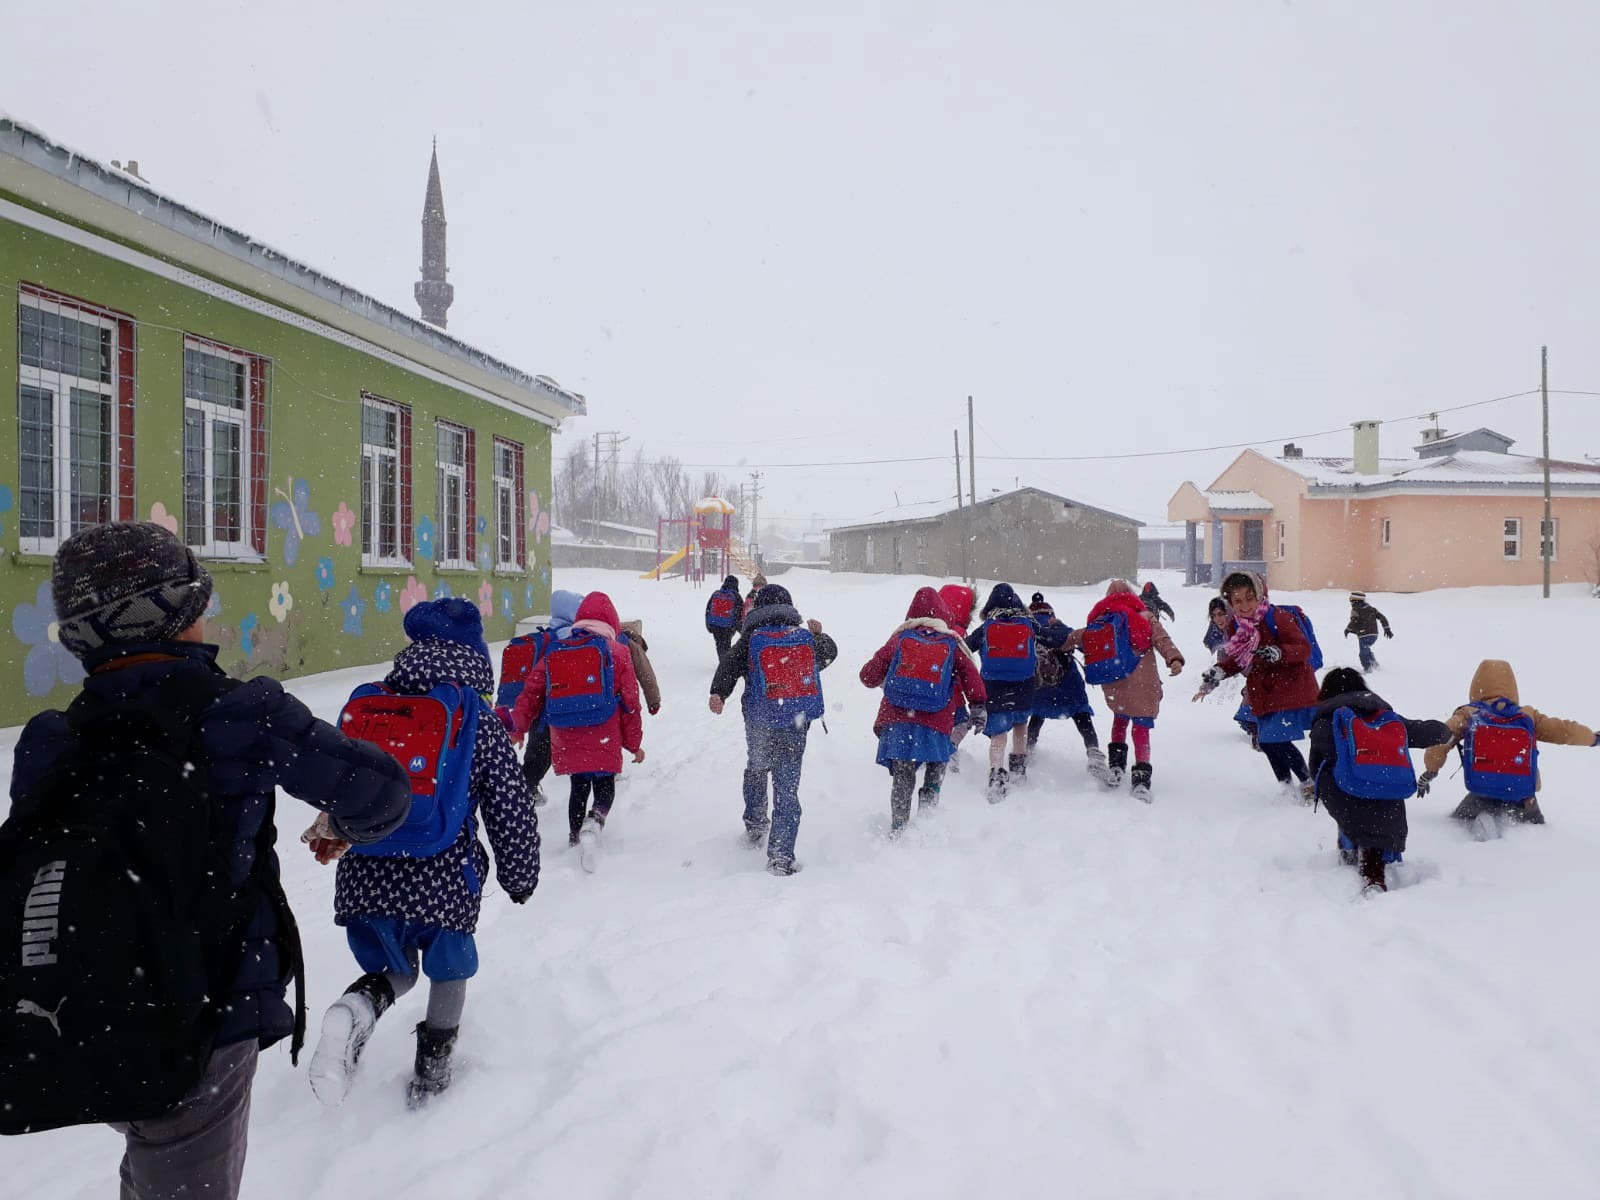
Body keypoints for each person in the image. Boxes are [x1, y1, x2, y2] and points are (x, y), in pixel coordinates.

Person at [3, 522, 410, 1200]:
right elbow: (385, 793)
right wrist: (341, 823)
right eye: (196, 604)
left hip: (82, 1009)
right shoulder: (242, 713)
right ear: (171, 616)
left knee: (151, 1152)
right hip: (205, 1016)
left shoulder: (51, 741)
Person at [308, 598, 540, 1108]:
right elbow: (509, 804)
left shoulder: (375, 700)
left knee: (397, 970)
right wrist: (520, 876)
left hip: (366, 865)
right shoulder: (473, 715)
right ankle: (431, 1079)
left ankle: (357, 1006)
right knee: (447, 968)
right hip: (443, 872)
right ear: (473, 654)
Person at [709, 583, 838, 874]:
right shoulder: (803, 638)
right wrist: (820, 635)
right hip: (795, 721)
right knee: (787, 786)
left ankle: (755, 823)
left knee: (757, 768)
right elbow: (830, 654)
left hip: (759, 720)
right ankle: (780, 856)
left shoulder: (751, 638)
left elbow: (728, 664)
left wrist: (718, 693)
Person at [509, 591, 645, 866]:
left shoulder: (556, 650)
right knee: (604, 783)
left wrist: (518, 727)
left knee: (578, 784)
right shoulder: (617, 652)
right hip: (604, 728)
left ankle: (574, 837)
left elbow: (531, 692)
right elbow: (631, 702)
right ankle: (595, 820)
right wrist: (634, 742)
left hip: (566, 731)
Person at [1308, 667, 1452, 894]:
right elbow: (1423, 732)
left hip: (1347, 788)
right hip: (1387, 786)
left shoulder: (1328, 719)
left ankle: (1355, 862)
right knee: (1380, 825)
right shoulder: (1383, 716)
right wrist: (1444, 730)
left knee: (1354, 819)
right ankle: (1379, 868)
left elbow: (1320, 757)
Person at [1419, 659, 1597, 841]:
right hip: (1523, 793)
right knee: (1540, 834)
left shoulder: (1469, 714)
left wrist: (1430, 771)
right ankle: (1527, 842)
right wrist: (1592, 738)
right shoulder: (1527, 715)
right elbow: (1563, 731)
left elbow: (1440, 740)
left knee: (1457, 823)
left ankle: (1478, 832)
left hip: (1482, 788)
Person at [859, 587, 986, 834]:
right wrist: (978, 704)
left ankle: (899, 827)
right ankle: (928, 816)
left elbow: (867, 676)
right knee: (937, 765)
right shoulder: (951, 640)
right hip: (936, 718)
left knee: (903, 775)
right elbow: (970, 675)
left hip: (898, 719)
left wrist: (890, 676)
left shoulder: (900, 638)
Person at [1194, 570, 1320, 801]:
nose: (1244, 605)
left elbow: (1303, 649)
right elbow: (1238, 658)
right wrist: (1220, 670)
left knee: (1274, 739)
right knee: (1268, 741)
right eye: (1237, 600)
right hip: (1263, 692)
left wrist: (1278, 652)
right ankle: (1287, 785)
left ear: (1260, 595)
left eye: (1249, 598)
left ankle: (1307, 782)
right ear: (1230, 602)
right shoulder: (1237, 627)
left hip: (1289, 688)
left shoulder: (1278, 617)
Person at [1067, 580, 1184, 801]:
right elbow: (1162, 639)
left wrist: (1055, 639)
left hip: (1116, 681)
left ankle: (1117, 767)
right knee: (1141, 729)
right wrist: (1174, 658)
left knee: (1120, 720)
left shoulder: (1102, 618)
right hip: (1143, 681)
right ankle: (1141, 780)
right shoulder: (1146, 617)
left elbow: (1078, 638)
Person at [966, 583, 1070, 802]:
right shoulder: (1028, 623)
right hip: (1024, 683)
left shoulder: (987, 627)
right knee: (1020, 723)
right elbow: (1054, 639)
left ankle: (996, 773)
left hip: (994, 684)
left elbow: (966, 648)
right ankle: (1019, 768)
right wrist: (1058, 626)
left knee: (998, 732)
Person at [498, 588, 584, 808]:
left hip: (538, 706)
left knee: (539, 749)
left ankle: (526, 787)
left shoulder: (548, 633)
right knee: (555, 750)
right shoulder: (569, 637)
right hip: (556, 705)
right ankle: (525, 790)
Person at [1025, 592, 1108, 783]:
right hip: (1068, 686)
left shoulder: (1028, 630)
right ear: (1051, 613)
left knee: (1036, 715)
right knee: (1082, 716)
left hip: (1039, 688)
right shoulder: (1061, 628)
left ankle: (1027, 750)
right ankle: (1094, 754)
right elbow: (1086, 645)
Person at [938, 582, 980, 772]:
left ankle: (934, 751)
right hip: (951, 692)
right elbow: (966, 670)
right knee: (962, 721)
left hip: (925, 688)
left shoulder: (926, 625)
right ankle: (949, 750)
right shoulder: (959, 634)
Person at [1343, 592, 1393, 672]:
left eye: (1351, 601)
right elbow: (1383, 618)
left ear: (1356, 601)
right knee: (1366, 650)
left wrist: (1348, 629)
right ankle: (1375, 665)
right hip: (1374, 635)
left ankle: (1368, 669)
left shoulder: (1355, 610)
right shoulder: (1372, 609)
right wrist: (1387, 629)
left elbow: (1354, 621)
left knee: (1363, 653)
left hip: (1364, 634)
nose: (1351, 603)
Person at [705, 574, 742, 664]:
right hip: (728, 626)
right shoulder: (736, 595)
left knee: (719, 644)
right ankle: (726, 665)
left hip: (715, 624)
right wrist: (739, 628)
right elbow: (739, 613)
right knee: (726, 644)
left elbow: (708, 609)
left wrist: (708, 625)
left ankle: (723, 662)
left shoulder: (716, 594)